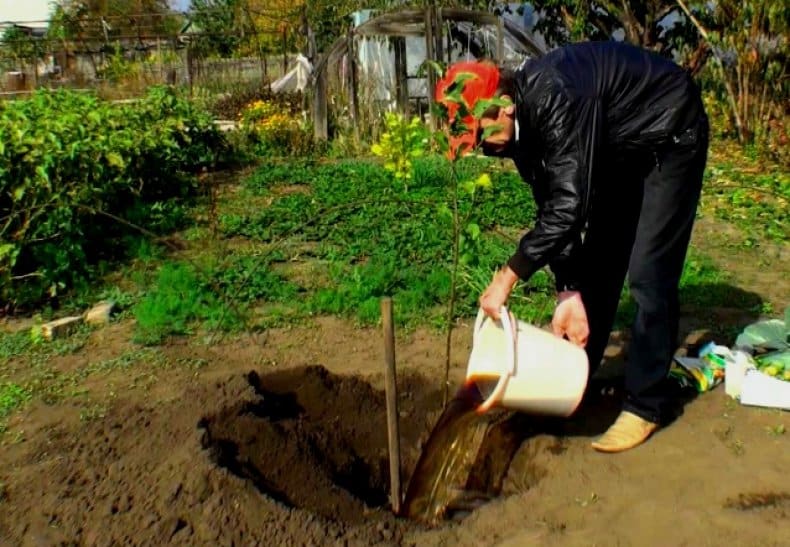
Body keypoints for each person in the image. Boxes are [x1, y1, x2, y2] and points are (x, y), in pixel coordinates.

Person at [435, 41, 709, 453]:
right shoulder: (515, 136)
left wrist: (508, 277)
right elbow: (553, 205)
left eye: (480, 135)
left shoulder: (555, 96)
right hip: (620, 145)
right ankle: (578, 372)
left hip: (669, 131)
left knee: (650, 271)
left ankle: (646, 405)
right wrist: (568, 290)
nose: (481, 149)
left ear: (504, 105)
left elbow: (569, 206)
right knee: (600, 258)